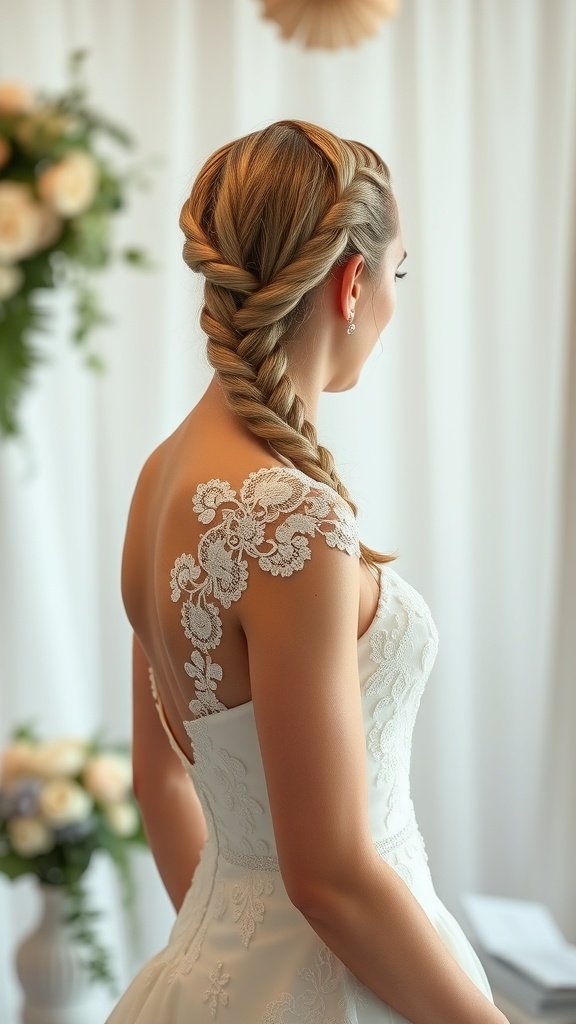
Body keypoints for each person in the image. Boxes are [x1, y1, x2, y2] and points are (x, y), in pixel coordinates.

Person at [108, 119, 509, 1024]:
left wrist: (230, 962)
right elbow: (328, 877)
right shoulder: (288, 516)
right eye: (396, 275)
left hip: (206, 977)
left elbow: (160, 778)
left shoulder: (158, 477)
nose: (392, 307)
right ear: (354, 280)